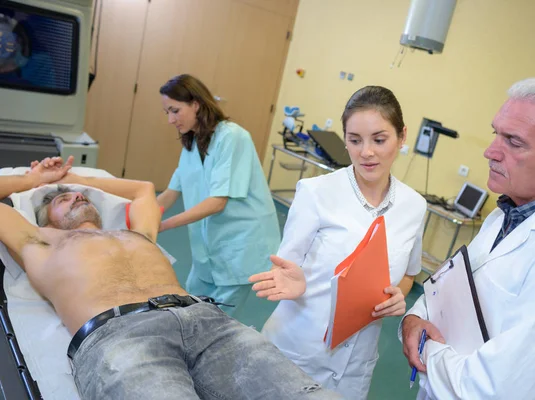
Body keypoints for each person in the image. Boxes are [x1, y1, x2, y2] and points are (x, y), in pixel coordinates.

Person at [0, 156, 339, 400]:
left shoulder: (136, 235)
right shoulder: (40, 243)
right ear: (43, 220)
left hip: (207, 321)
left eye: (81, 196)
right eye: (64, 199)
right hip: (120, 337)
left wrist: (73, 179)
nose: (77, 196)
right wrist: (35, 182)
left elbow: (144, 190)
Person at [401, 77, 535, 399]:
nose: (490, 152)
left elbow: (495, 390)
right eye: (496, 133)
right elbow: (448, 287)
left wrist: (427, 348)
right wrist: (413, 319)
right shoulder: (506, 213)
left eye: (514, 142)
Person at [250, 86, 427, 399]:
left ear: (402, 137)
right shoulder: (316, 193)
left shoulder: (414, 206)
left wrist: (397, 296)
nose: (366, 152)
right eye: (354, 140)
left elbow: (409, 275)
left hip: (356, 362)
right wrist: (293, 283)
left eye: (379, 139)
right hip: (298, 346)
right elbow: (286, 267)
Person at [156, 74, 280, 316]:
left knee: (216, 319)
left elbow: (217, 202)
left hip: (240, 242)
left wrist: (161, 225)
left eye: (175, 110)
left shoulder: (232, 137)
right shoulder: (191, 143)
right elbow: (171, 193)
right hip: (208, 245)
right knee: (190, 304)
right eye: (166, 112)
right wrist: (138, 216)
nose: (170, 119)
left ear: (196, 104)